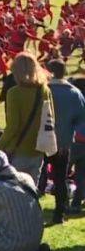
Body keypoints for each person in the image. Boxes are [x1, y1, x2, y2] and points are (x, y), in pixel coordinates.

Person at [0, 52, 54, 183]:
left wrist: (1, 143)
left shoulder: (14, 93)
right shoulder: (45, 90)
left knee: (13, 190)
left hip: (18, 149)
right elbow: (50, 119)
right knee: (30, 190)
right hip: (38, 147)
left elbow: (13, 126)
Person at [41, 59, 85, 224]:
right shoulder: (74, 93)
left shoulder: (43, 90)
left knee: (38, 176)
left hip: (41, 141)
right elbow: (81, 118)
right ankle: (59, 214)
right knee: (60, 179)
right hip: (64, 142)